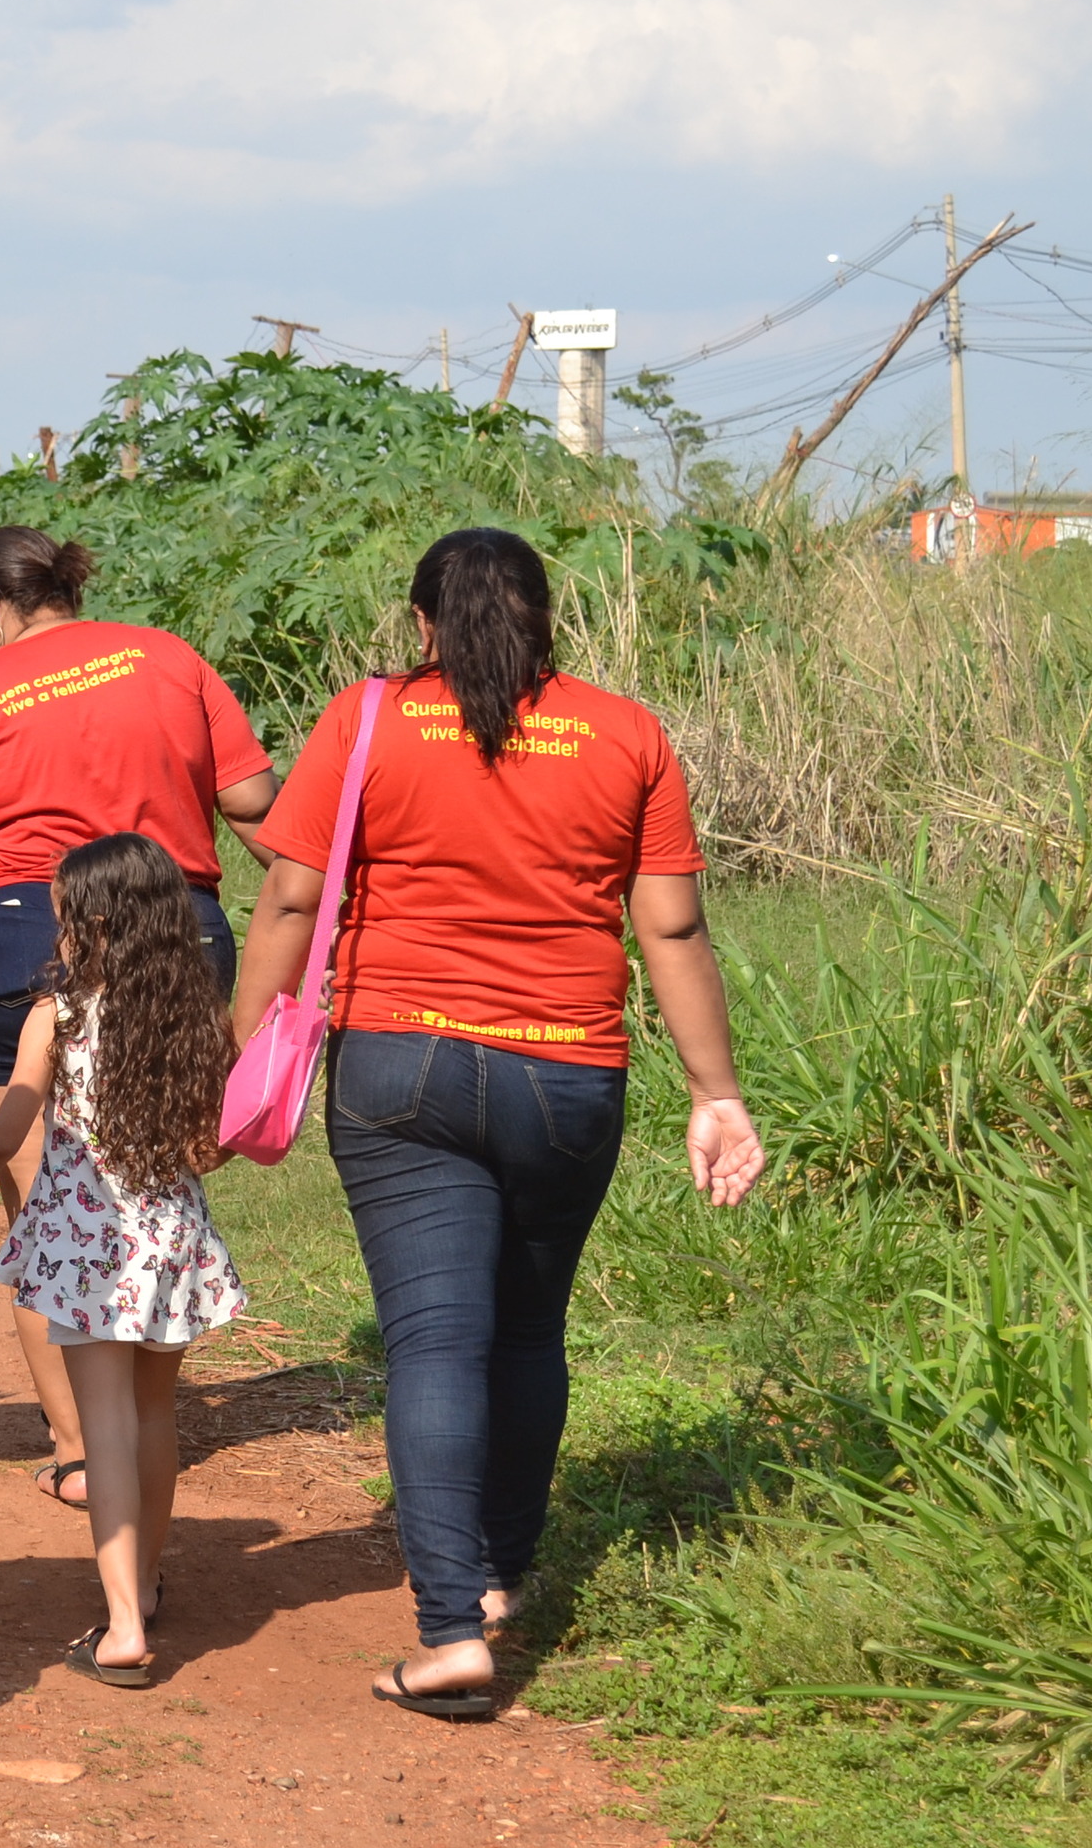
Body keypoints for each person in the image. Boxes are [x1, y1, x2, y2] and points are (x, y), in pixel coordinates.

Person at [234, 528, 762, 1722]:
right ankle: (506, 1579)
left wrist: (239, 1048)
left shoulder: (369, 720)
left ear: (421, 625)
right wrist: (713, 1090)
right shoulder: (625, 732)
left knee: (432, 1340)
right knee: (525, 1334)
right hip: (569, 1074)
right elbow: (671, 931)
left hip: (400, 1067)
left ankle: (446, 1628)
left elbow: (291, 891)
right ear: (545, 618)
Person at [0, 526, 279, 1514]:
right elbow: (257, 807)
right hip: (175, 924)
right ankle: (147, 1415)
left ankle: (76, 1446)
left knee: (38, 1202)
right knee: (161, 1175)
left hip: (23, 927)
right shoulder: (170, 658)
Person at [0, 833, 243, 1687]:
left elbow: (8, 1128)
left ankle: (123, 1627)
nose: (54, 933)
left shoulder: (58, 1016)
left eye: (63, 917)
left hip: (82, 1245)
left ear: (95, 925)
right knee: (154, 1417)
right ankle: (143, 1579)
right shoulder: (195, 1021)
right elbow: (210, 1146)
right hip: (169, 1240)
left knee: (101, 1426)